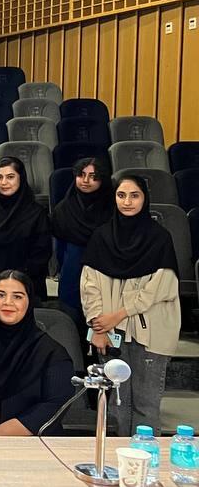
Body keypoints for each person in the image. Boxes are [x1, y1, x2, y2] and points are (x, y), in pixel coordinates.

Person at [80, 174, 181, 435]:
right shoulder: (101, 236)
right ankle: (115, 456)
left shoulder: (160, 238)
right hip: (109, 333)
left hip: (151, 334)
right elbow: (89, 286)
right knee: (116, 404)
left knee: (146, 405)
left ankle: (144, 457)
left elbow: (162, 287)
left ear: (145, 199)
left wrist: (120, 314)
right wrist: (98, 326)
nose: (127, 202)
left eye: (134, 195)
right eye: (121, 195)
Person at [0, 270, 74, 436]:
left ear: (29, 301)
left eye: (17, 296)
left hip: (31, 442)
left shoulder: (51, 352)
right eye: (0, 295)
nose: (7, 302)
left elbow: (55, 402)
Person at [0, 156, 51, 304]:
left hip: (26, 285)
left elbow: (41, 254)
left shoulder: (36, 212)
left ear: (21, 178)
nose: (4, 182)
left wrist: (14, 283)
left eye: (10, 177)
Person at [52, 155, 114, 315]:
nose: (85, 181)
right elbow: (59, 250)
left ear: (103, 179)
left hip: (105, 273)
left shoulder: (114, 209)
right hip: (72, 272)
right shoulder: (63, 209)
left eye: (93, 176)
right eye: (81, 175)